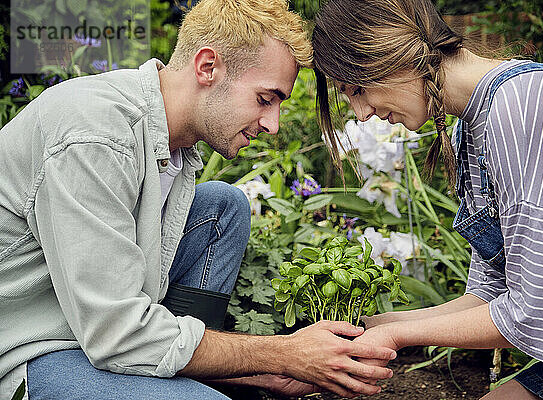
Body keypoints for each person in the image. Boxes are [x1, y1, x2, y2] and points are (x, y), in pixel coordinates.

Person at [0, 1, 398, 399]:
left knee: (222, 207)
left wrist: (257, 372)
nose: (273, 125)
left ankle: (197, 374)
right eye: (265, 99)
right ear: (207, 67)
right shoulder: (94, 137)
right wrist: (283, 354)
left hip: (86, 324)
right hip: (27, 347)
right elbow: (115, 332)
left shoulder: (170, 138)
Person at [311, 0, 543, 399]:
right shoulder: (472, 124)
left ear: (391, 52)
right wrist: (374, 326)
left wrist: (399, 334)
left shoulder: (522, 109)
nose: (360, 114)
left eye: (357, 88)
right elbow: (491, 293)